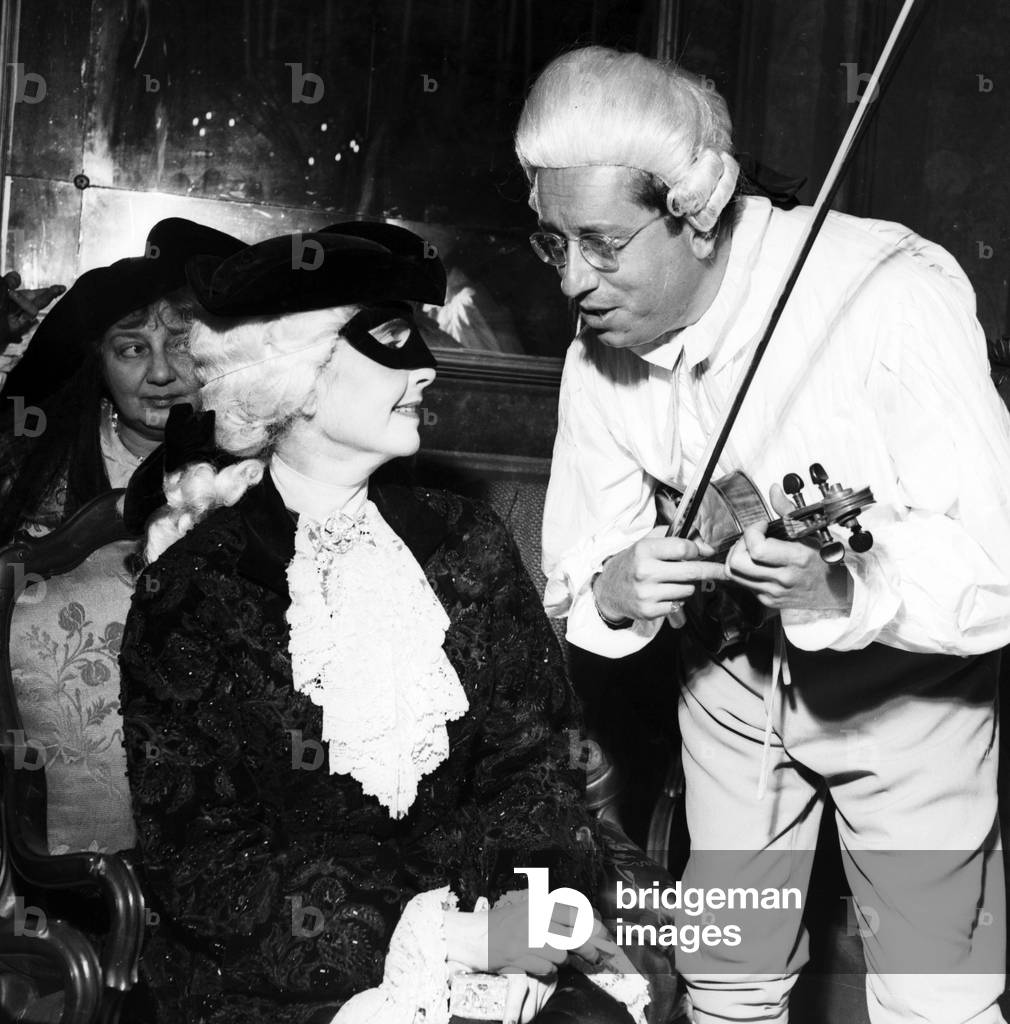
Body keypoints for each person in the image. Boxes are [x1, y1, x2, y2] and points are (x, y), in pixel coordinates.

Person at [515, 45, 1010, 1024]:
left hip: (905, 695)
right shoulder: (600, 348)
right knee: (726, 978)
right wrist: (616, 584)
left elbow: (998, 558)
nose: (572, 280)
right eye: (551, 243)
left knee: (935, 995)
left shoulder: (888, 289)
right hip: (728, 688)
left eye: (601, 243)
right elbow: (580, 565)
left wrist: (844, 588)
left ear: (696, 214)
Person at [118, 223, 654, 1024]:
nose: (428, 367)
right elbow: (205, 866)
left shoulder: (467, 541)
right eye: (395, 342)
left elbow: (534, 765)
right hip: (286, 982)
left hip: (498, 941)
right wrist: (444, 938)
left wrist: (527, 910)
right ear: (299, 379)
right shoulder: (193, 590)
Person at [0, 218, 244, 539]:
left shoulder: (253, 469)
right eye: (133, 349)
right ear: (100, 362)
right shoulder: (30, 461)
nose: (161, 373)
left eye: (181, 344)